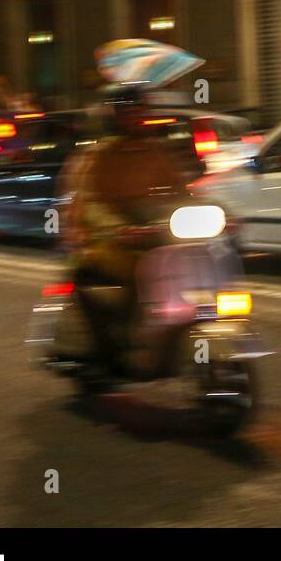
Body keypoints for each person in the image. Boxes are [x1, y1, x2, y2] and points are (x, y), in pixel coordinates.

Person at [58, 85, 195, 371]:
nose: (137, 118)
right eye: (129, 112)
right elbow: (89, 203)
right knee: (141, 270)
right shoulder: (97, 157)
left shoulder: (156, 152)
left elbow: (181, 192)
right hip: (105, 241)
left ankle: (168, 332)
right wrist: (121, 229)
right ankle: (124, 339)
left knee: (192, 261)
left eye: (141, 112)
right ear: (114, 116)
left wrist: (220, 215)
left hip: (151, 235)